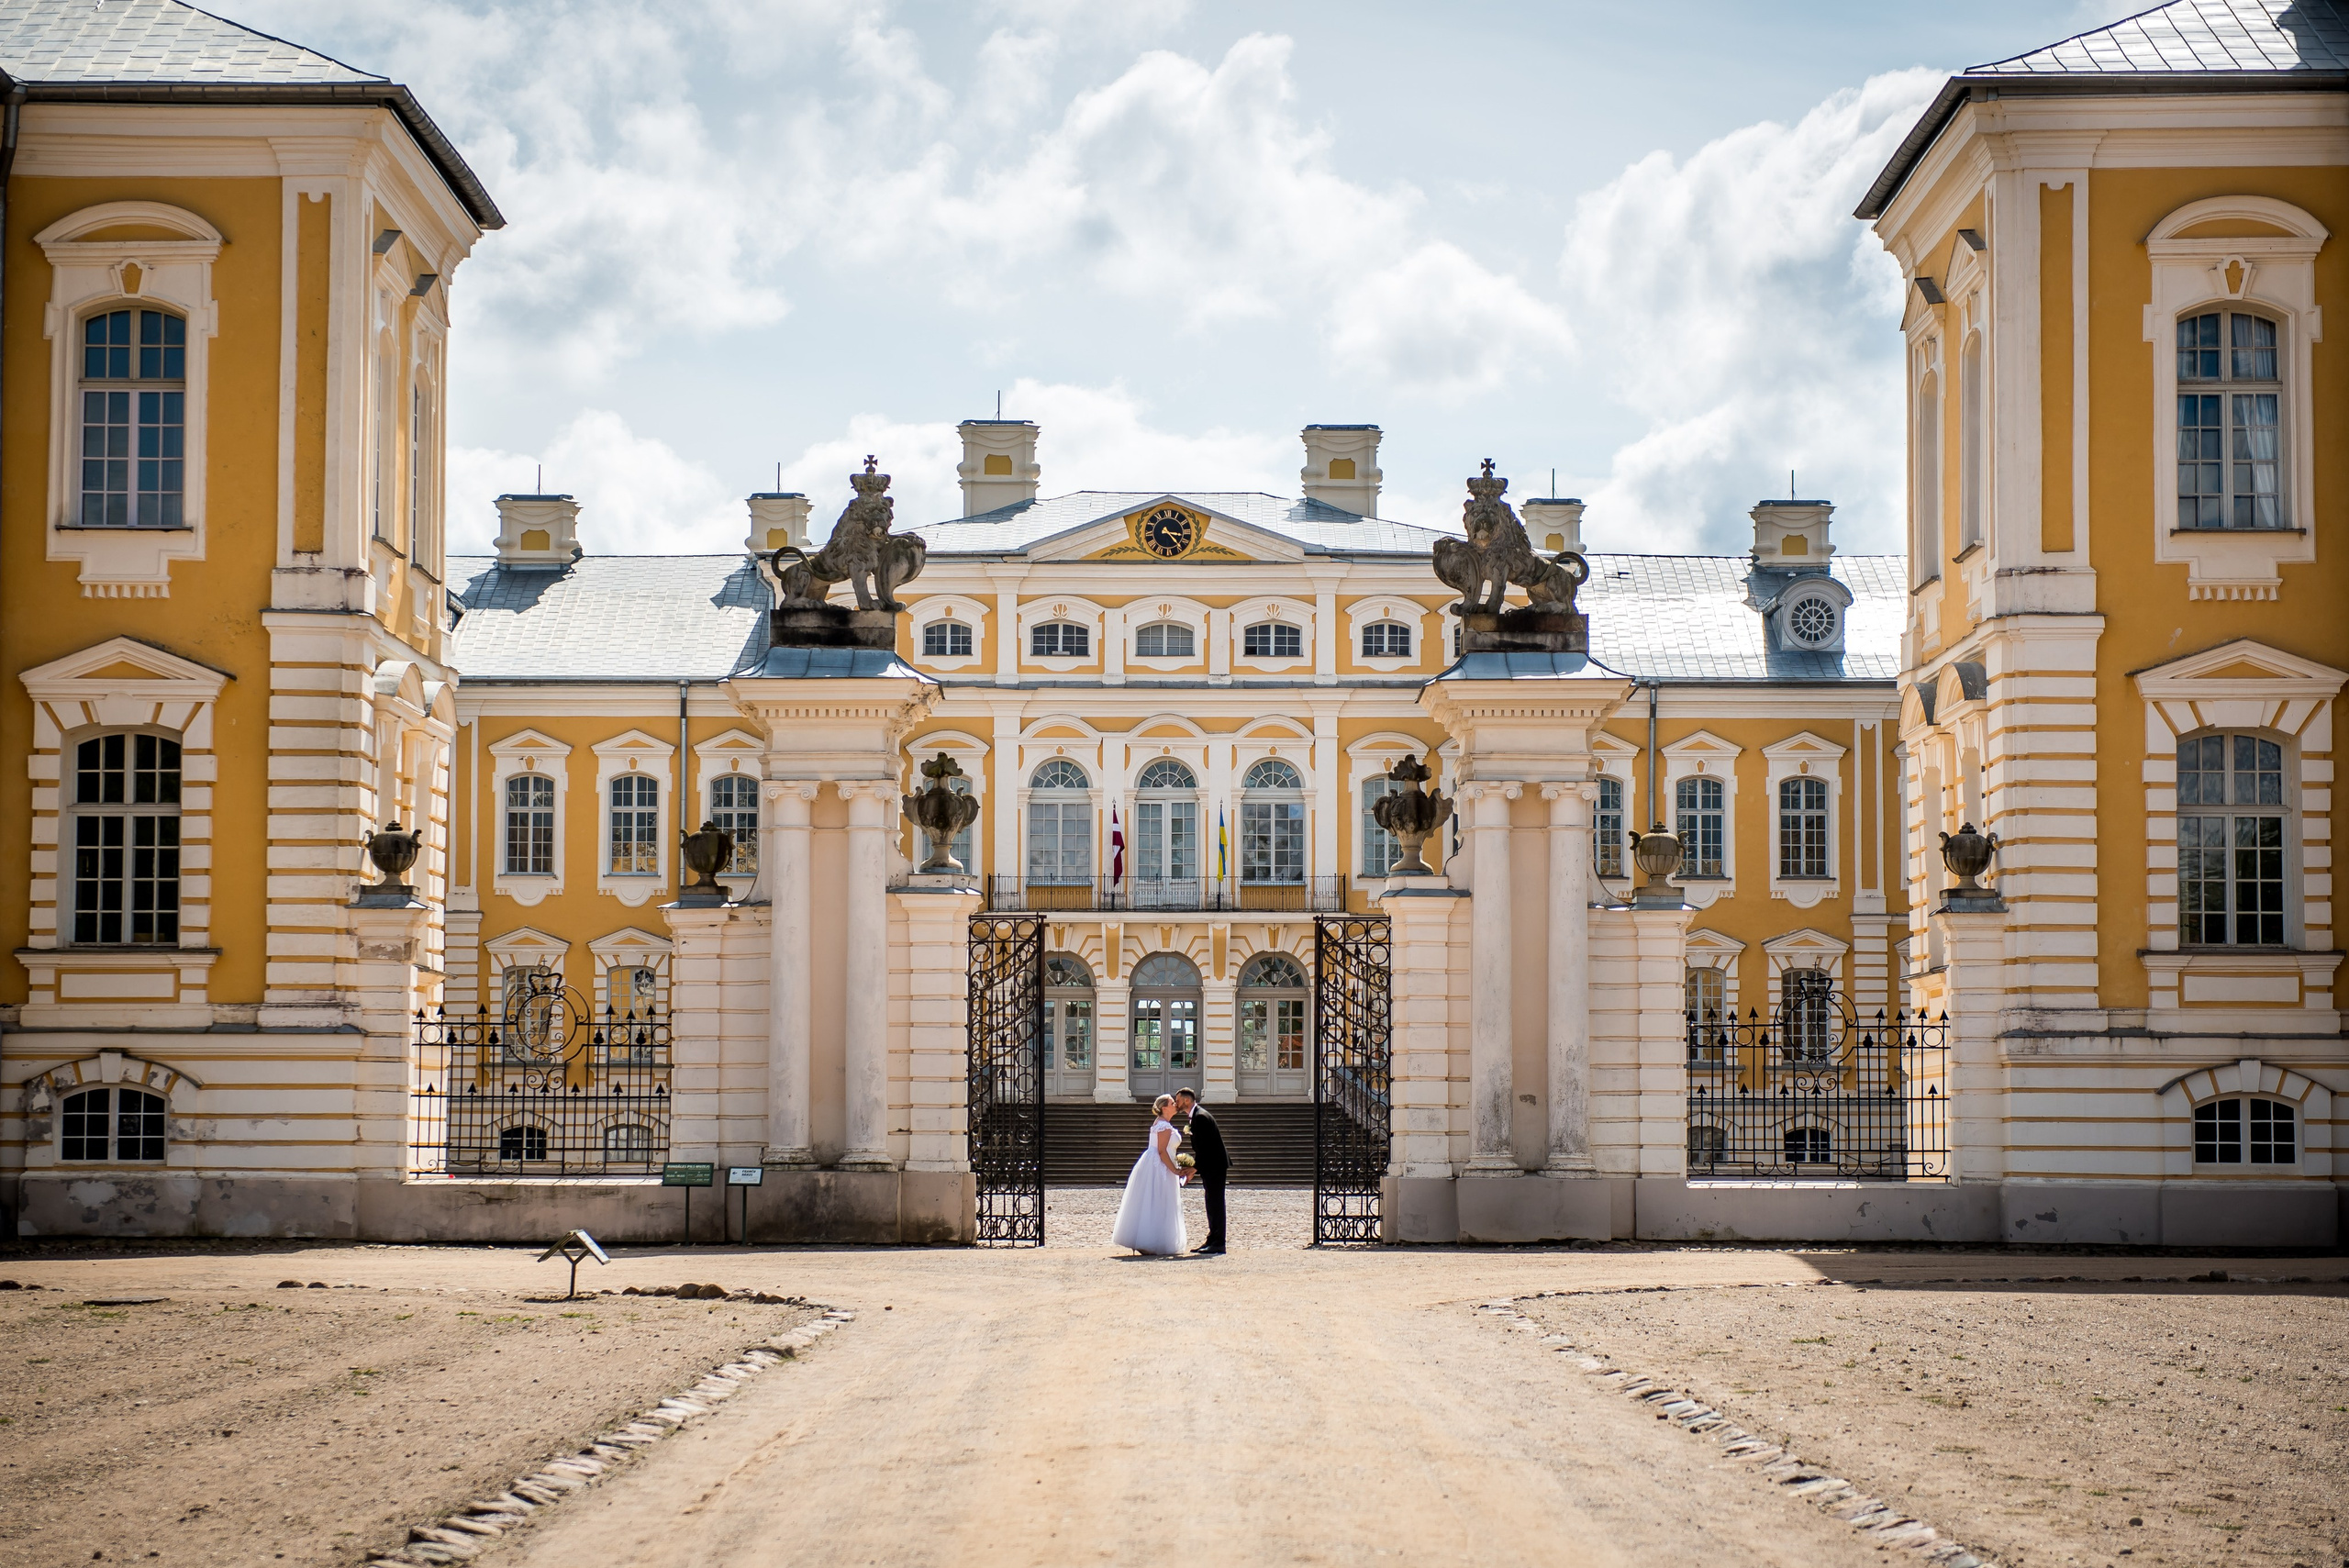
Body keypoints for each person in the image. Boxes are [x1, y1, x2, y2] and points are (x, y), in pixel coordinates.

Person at [1108, 1092, 1189, 1257]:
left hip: (1152, 1163)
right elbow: (1162, 1151)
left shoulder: (1161, 1123)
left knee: (1151, 1201)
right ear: (1164, 1107)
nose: (1176, 1104)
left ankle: (1148, 1239)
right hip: (1160, 1166)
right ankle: (1153, 1240)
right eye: (1172, 1102)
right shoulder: (1164, 1126)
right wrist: (1174, 1170)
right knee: (1159, 1201)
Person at [1174, 1087, 1229, 1254]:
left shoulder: (1201, 1117)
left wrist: (1194, 1168)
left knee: (1215, 1203)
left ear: (1186, 1100)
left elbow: (1207, 1149)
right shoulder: (1197, 1116)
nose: (1176, 1104)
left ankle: (1218, 1242)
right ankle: (1212, 1238)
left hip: (1215, 1165)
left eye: (1178, 1101)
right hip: (1211, 1165)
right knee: (1211, 1203)